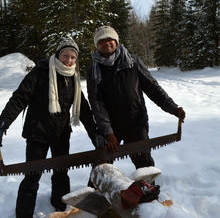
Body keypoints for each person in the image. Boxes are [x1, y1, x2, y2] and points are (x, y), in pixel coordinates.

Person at [0, 37, 105, 218]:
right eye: (65, 55)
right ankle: (23, 214)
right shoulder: (41, 72)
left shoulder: (73, 78)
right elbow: (19, 98)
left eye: (73, 57)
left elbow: (85, 111)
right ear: (58, 54)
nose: (69, 60)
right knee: (32, 177)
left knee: (61, 173)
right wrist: (3, 123)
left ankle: (60, 207)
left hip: (61, 133)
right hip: (37, 133)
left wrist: (95, 133)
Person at [87, 25, 185, 171]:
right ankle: (97, 192)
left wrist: (172, 108)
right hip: (110, 126)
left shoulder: (133, 61)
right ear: (97, 45)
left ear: (116, 41)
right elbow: (97, 103)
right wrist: (108, 132)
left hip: (136, 122)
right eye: (101, 41)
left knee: (144, 166)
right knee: (102, 167)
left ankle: (148, 193)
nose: (106, 43)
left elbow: (153, 88)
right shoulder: (94, 70)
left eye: (110, 39)